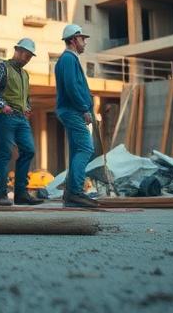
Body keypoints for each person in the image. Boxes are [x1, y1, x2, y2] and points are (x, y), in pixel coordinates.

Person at [0, 38, 42, 206]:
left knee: (29, 150)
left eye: (30, 57)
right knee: (6, 153)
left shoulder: (25, 74)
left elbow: (25, 97)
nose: (27, 59)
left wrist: (27, 107)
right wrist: (3, 106)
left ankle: (21, 194)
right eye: (26, 55)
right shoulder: (1, 68)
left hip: (20, 118)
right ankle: (1, 194)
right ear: (17, 51)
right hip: (4, 116)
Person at [54, 23, 99, 208]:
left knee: (76, 151)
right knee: (86, 149)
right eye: (82, 39)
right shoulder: (68, 60)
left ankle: (70, 194)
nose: (85, 43)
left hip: (73, 111)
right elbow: (72, 87)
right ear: (73, 40)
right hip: (73, 111)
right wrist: (84, 108)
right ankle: (76, 192)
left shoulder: (69, 60)